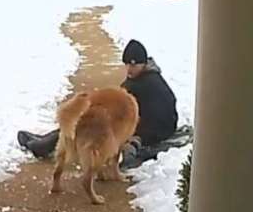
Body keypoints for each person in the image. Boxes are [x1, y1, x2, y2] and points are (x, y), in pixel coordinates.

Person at [18, 39, 182, 170]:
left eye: (133, 65)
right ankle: (46, 141)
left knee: (83, 123)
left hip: (151, 129)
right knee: (85, 119)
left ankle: (43, 145)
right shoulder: (144, 77)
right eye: (127, 64)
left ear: (143, 63)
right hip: (147, 124)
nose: (129, 69)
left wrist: (138, 138)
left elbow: (158, 117)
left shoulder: (146, 82)